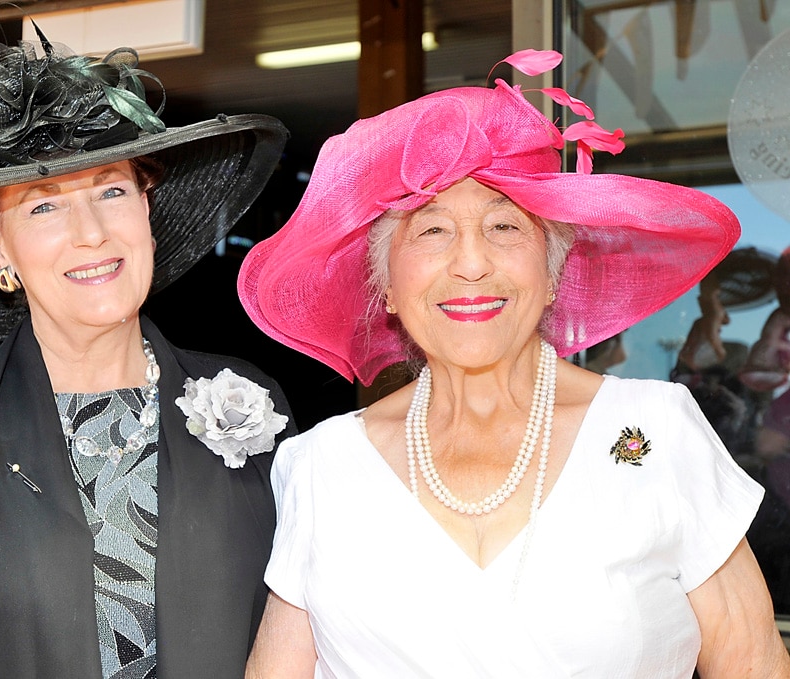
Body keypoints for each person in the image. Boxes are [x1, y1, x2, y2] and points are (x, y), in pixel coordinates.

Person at [237, 50, 789, 677]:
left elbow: (753, 663)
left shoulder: (653, 434)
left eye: (504, 227)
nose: (471, 264)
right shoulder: (321, 464)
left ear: (553, 273)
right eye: (431, 230)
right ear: (386, 286)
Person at [0, 28, 295, 679]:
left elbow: (304, 635)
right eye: (43, 207)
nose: (91, 233)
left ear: (146, 206)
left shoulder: (251, 403)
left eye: (112, 190)